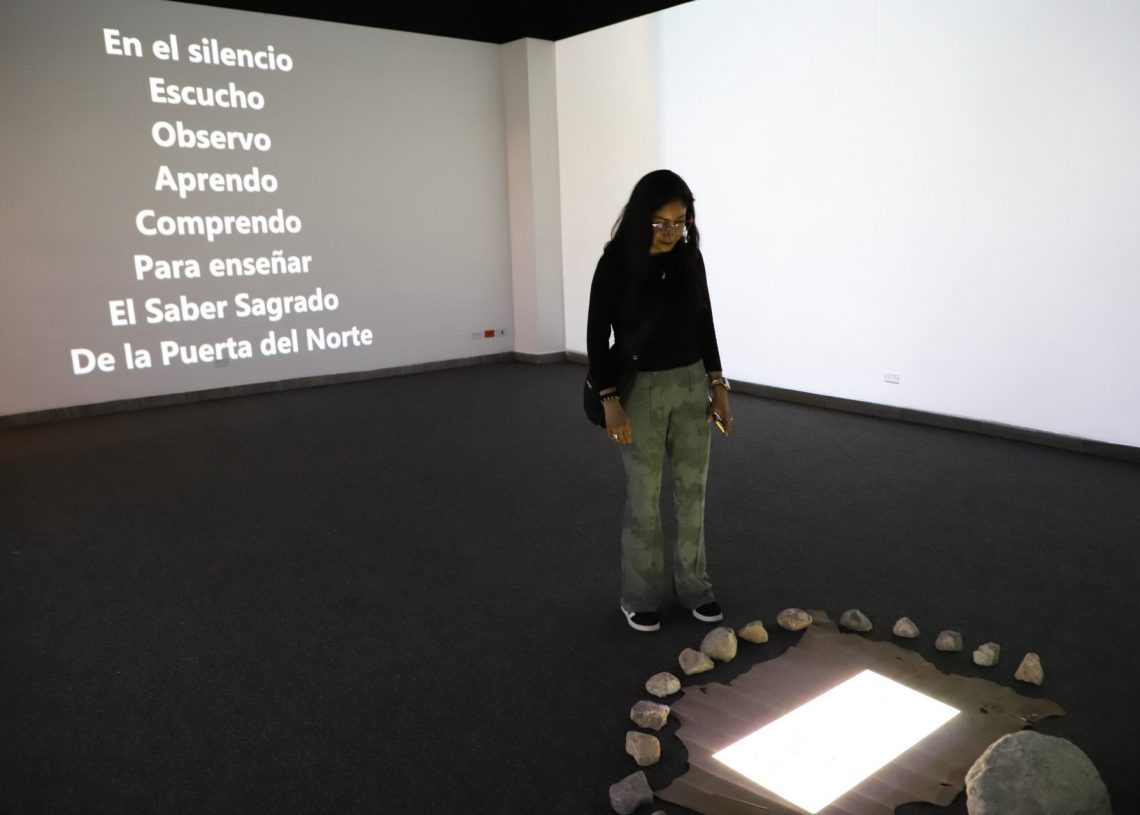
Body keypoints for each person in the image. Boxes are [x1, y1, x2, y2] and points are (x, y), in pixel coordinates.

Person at [586, 169, 733, 633]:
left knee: (692, 492)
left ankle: (695, 588)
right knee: (643, 498)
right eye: (659, 223)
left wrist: (718, 386)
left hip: (690, 384)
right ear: (639, 218)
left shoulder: (690, 258)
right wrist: (609, 399)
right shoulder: (615, 263)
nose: (670, 232)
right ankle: (639, 596)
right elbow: (597, 337)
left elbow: (705, 323)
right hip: (641, 390)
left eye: (679, 222)